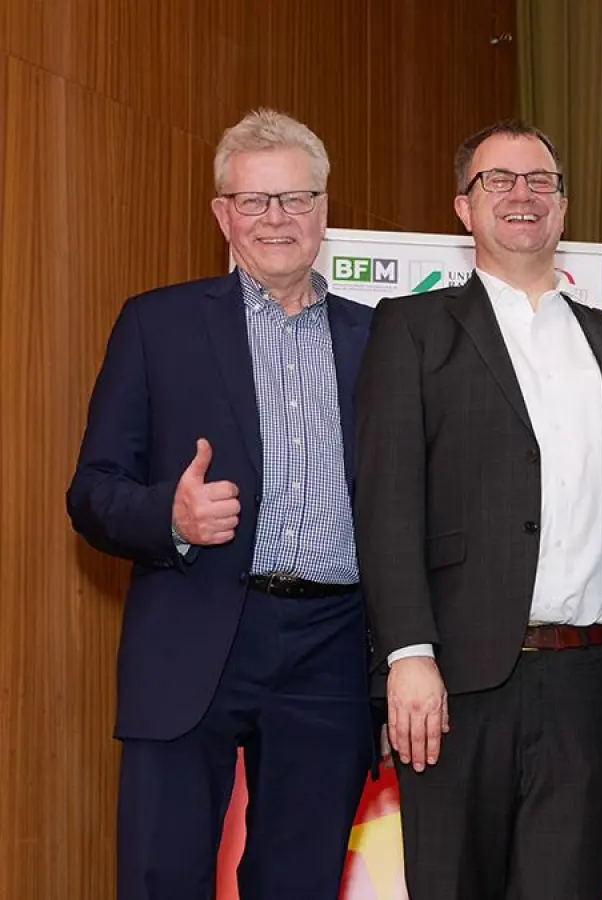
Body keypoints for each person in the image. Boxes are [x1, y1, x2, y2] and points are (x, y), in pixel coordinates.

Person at [353, 120, 602, 900]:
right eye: (497, 180)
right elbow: (386, 503)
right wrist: (408, 655)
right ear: (463, 210)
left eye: (540, 180)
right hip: (454, 686)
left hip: (590, 686)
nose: (522, 195)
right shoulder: (411, 330)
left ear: (564, 209)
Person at [66, 109, 376, 899]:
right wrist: (169, 519)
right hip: (192, 633)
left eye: (296, 199)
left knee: (300, 881)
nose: (277, 219)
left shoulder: (380, 340)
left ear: (325, 208)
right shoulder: (156, 325)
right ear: (222, 216)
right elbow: (93, 492)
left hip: (333, 651)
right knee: (161, 877)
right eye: (255, 201)